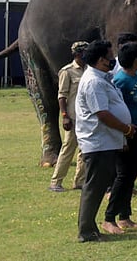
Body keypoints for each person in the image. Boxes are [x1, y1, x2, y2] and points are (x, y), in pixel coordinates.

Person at [74, 40, 134, 243]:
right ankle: (87, 231)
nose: (113, 60)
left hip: (107, 141)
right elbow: (102, 113)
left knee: (98, 187)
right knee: (94, 187)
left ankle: (89, 228)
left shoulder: (103, 78)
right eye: (110, 57)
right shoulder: (93, 82)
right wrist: (125, 129)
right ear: (101, 60)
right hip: (97, 142)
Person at [103, 43, 137, 233]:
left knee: (131, 174)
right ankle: (109, 218)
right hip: (126, 132)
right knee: (122, 175)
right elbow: (115, 108)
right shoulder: (120, 81)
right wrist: (122, 135)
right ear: (135, 59)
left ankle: (125, 217)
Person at [49, 41, 88, 192]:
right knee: (68, 150)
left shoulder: (88, 70)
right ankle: (56, 181)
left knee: (84, 150)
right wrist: (65, 116)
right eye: (84, 52)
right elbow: (62, 96)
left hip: (86, 118)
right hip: (72, 117)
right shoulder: (67, 71)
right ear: (77, 54)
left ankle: (79, 181)